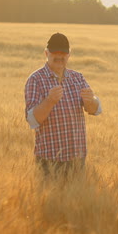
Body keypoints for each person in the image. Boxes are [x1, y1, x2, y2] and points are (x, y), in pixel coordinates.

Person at [24, 32, 102, 180]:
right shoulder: (35, 80)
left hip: (77, 160)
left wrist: (91, 101)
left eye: (63, 53)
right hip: (49, 162)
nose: (59, 57)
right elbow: (32, 120)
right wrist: (49, 101)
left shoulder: (77, 77)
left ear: (69, 55)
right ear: (46, 53)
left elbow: (95, 110)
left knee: (76, 202)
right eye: (55, 53)